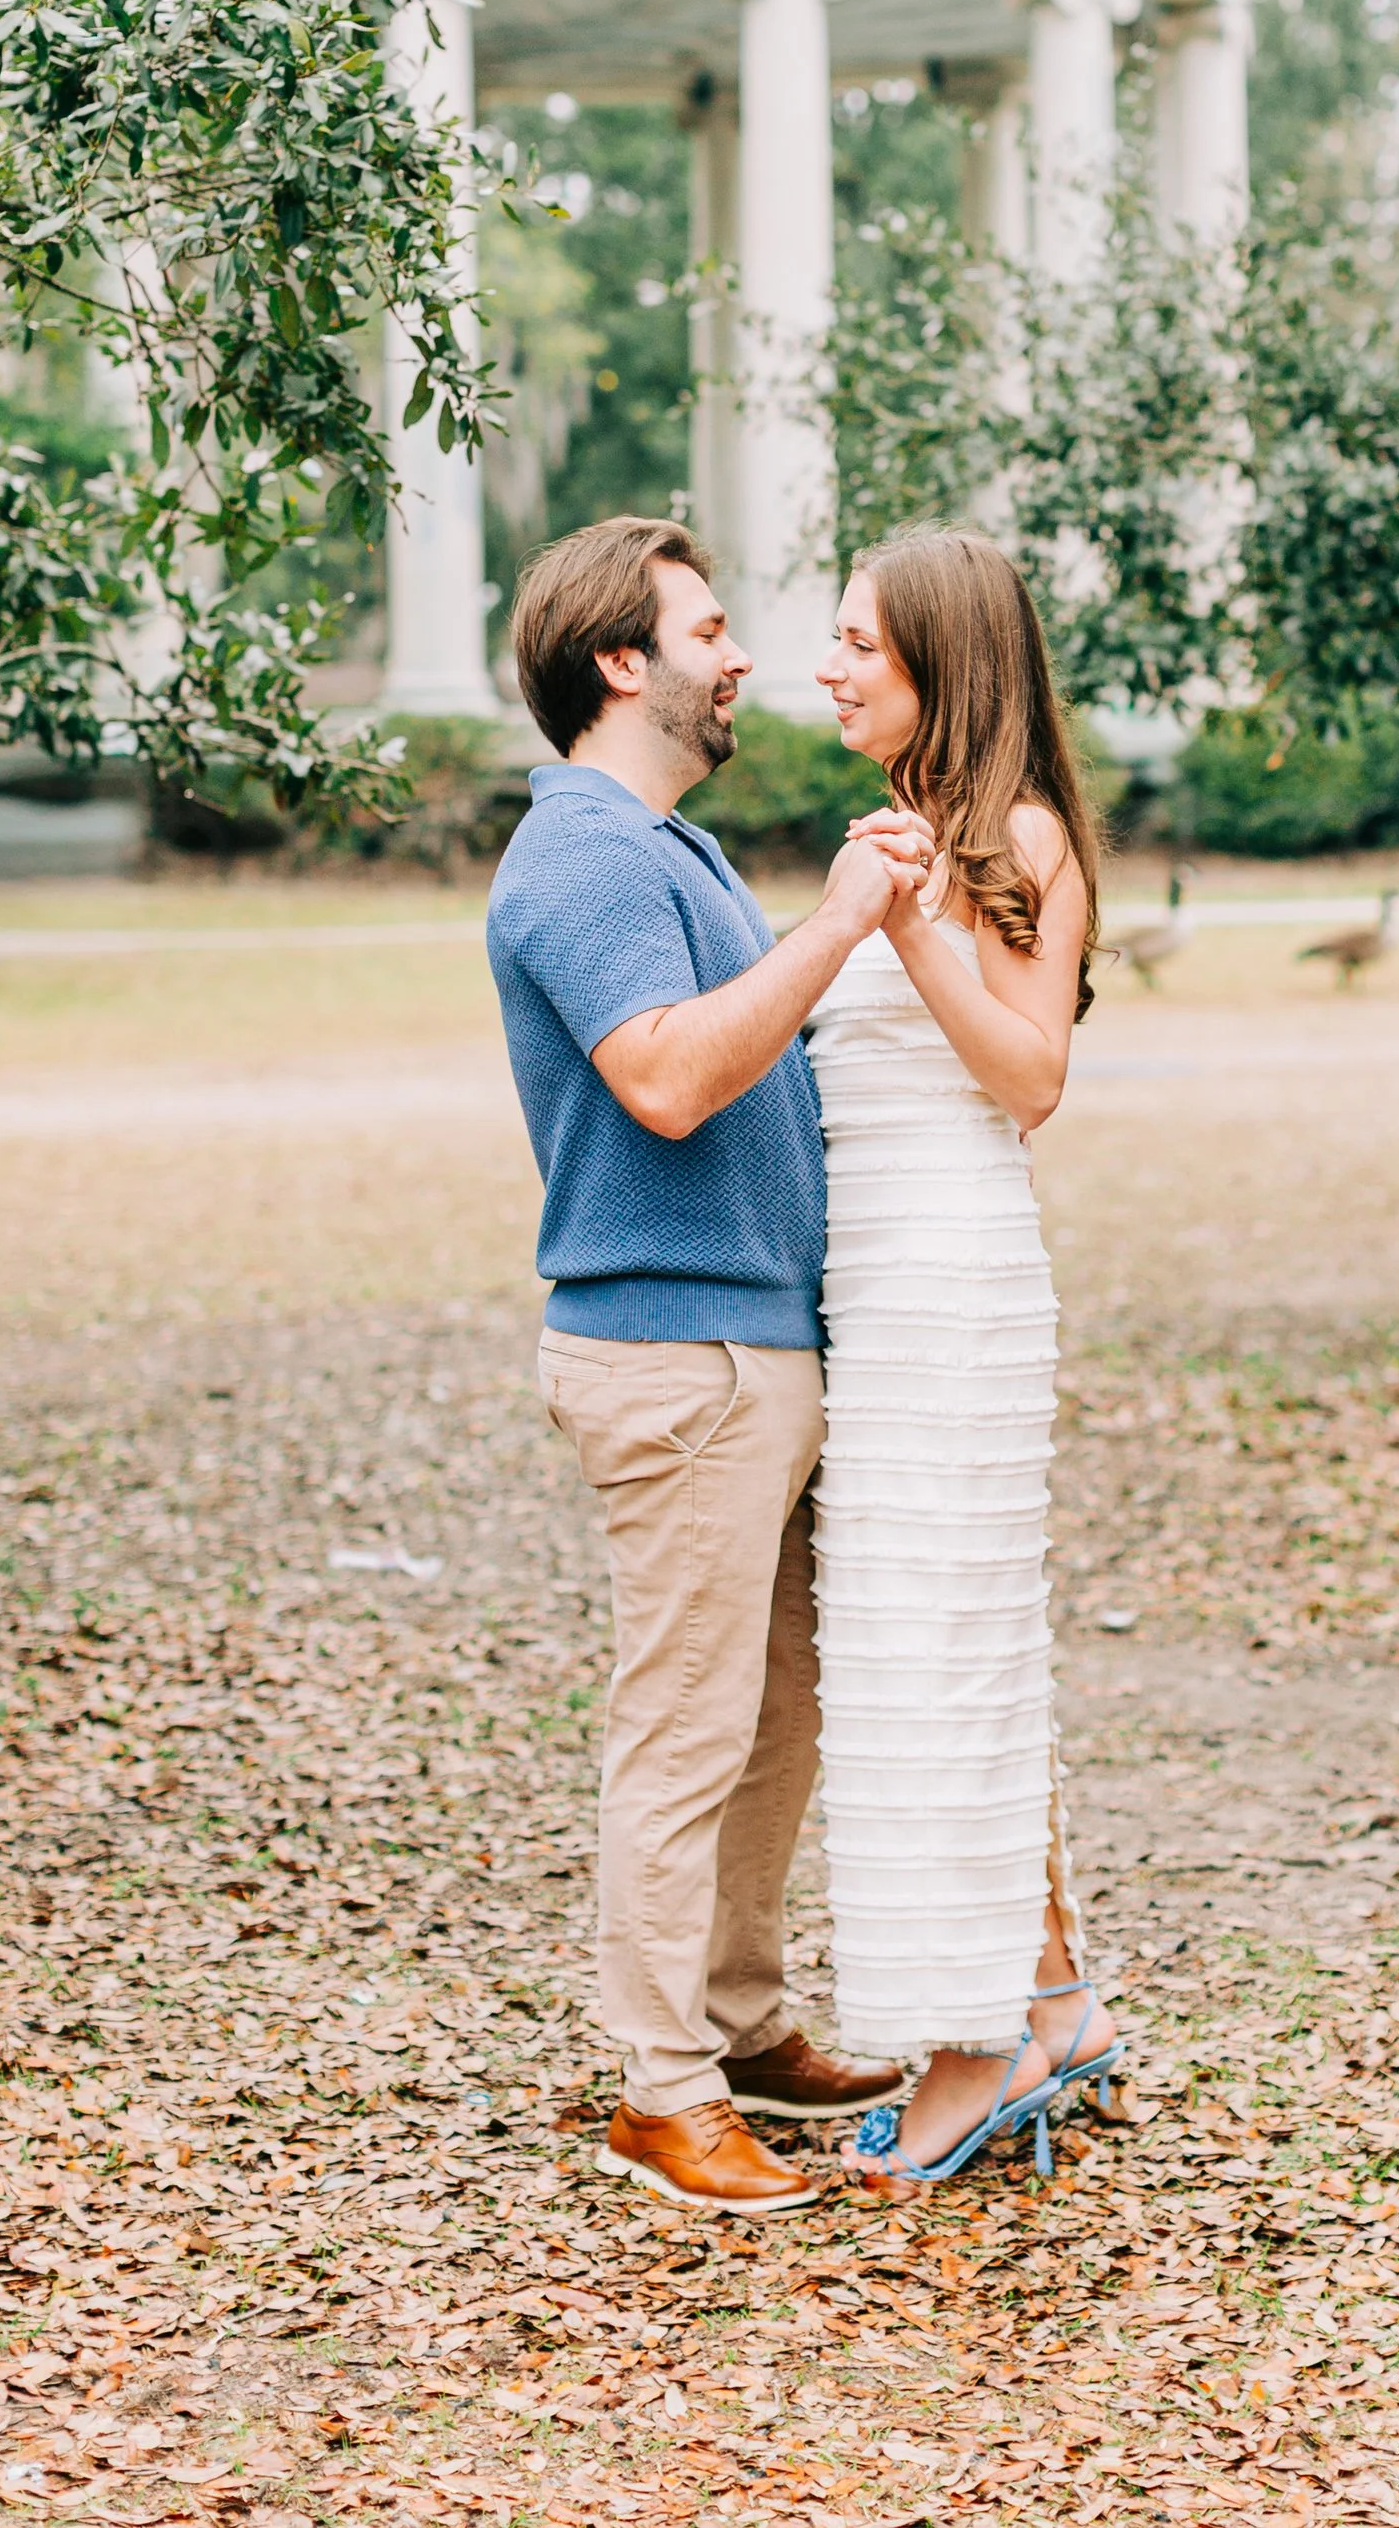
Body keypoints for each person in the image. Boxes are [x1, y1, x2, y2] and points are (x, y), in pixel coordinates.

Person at [486, 516, 912, 2215]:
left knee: (777, 1711)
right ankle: (660, 2090)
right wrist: (839, 928)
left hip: (758, 1344)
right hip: (679, 1358)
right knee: (684, 1727)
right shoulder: (585, 852)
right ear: (622, 660)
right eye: (711, 625)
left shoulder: (670, 844)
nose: (743, 654)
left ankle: (738, 2023)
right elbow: (665, 1078)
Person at [806, 526, 1121, 2189]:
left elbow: (1030, 1078)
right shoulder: (898, 835)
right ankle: (1052, 1991)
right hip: (878, 1295)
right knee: (945, 1644)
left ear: (942, 654)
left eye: (858, 638)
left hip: (957, 1299)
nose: (829, 665)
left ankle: (969, 2045)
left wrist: (916, 928)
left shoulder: (1016, 839)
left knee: (932, 1659)